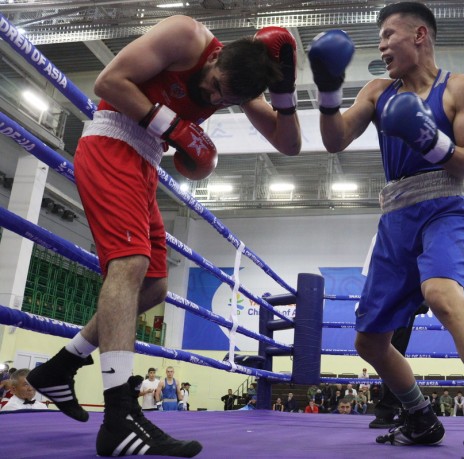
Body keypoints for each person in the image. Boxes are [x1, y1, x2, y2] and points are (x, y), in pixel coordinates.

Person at [26, 15, 301, 458]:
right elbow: (108, 82)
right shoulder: (186, 36)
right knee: (130, 265)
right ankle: (118, 414)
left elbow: (289, 145)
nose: (213, 97)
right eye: (213, 86)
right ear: (217, 56)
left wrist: (285, 92)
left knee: (154, 286)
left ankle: (59, 368)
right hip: (112, 142)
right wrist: (175, 127)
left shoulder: (236, 85)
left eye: (224, 99)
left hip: (144, 163)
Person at [307, 3, 464, 457]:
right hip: (395, 218)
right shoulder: (376, 92)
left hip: (445, 207)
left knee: (441, 293)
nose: (382, 44)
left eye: (390, 34)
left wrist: (429, 139)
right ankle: (420, 417)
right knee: (369, 342)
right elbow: (334, 140)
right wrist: (328, 91)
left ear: (419, 35)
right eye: (379, 37)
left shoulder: (463, 90)